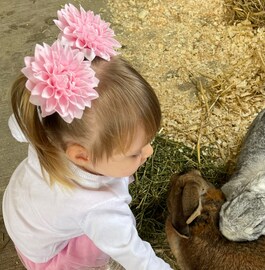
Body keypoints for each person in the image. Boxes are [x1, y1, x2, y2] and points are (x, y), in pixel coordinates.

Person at [3, 4, 172, 270]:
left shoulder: (46, 119)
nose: (149, 152)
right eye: (134, 152)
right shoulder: (101, 209)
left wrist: (126, 157)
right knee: (95, 244)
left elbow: (17, 126)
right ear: (81, 155)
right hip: (49, 256)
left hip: (22, 213)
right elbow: (138, 257)